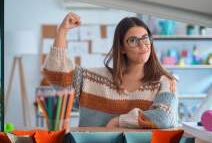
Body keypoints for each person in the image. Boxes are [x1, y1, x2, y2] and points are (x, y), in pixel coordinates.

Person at [42, 12, 178, 128]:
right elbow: (58, 75)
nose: (143, 45)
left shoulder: (165, 81)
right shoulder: (93, 79)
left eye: (145, 38)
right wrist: (62, 31)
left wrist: (119, 121)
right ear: (122, 48)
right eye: (133, 40)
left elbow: (164, 118)